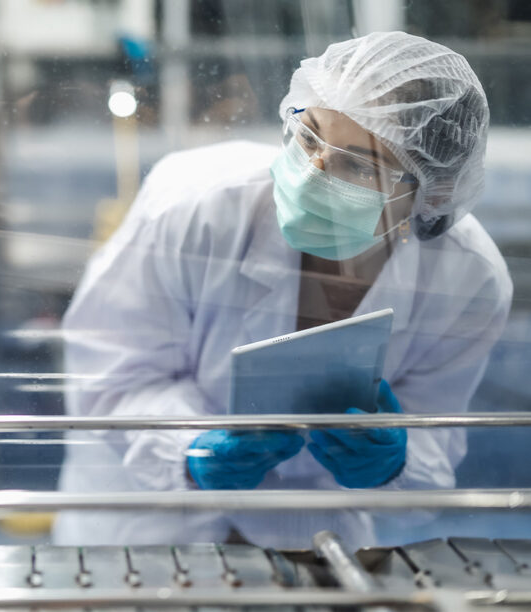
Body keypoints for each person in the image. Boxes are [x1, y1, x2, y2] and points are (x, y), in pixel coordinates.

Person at [52, 31, 512, 549]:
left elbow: (435, 445)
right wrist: (188, 448)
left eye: (358, 165)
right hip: (145, 527)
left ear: (436, 191)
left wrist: (394, 464)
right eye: (309, 136)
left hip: (311, 536)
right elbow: (109, 375)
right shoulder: (196, 206)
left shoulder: (466, 280)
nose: (312, 175)